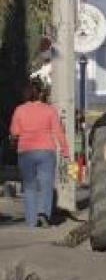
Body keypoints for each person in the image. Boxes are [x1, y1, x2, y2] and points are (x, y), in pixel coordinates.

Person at [9, 81, 70, 227]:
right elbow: (58, 131)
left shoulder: (19, 110)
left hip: (26, 151)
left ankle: (31, 221)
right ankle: (44, 213)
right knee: (46, 184)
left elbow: (14, 132)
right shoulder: (49, 110)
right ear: (40, 94)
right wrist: (65, 151)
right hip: (46, 151)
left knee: (29, 186)